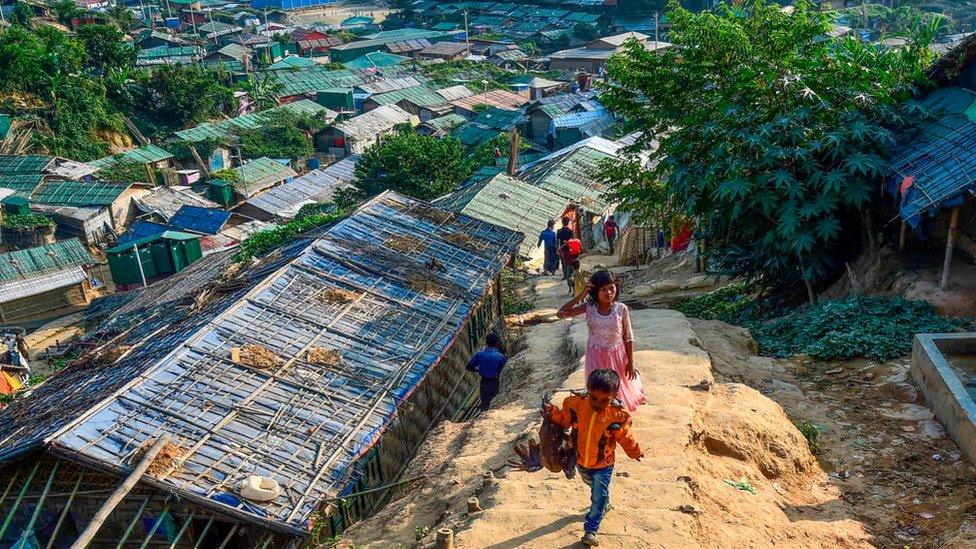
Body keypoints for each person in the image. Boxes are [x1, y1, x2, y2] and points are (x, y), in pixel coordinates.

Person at [544, 369, 643, 547]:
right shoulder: (575, 405)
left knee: (597, 496)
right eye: (593, 398)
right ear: (587, 391)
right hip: (581, 461)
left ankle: (591, 529)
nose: (598, 403)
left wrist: (635, 451)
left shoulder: (617, 415)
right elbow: (564, 421)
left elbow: (625, 437)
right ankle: (605, 502)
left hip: (604, 463)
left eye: (605, 400)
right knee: (594, 488)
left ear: (614, 395)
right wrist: (552, 411)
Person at [557, 270, 645, 411]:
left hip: (616, 355)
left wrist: (631, 362)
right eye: (603, 289)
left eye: (611, 288)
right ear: (595, 291)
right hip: (595, 354)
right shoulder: (589, 308)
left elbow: (628, 337)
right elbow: (560, 314)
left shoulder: (621, 309)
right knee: (598, 388)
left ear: (616, 287)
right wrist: (581, 295)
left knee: (617, 389)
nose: (608, 292)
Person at [466, 332, 507, 412]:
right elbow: (505, 370)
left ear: (487, 343)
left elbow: (469, 367)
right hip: (496, 382)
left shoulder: (480, 354)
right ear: (497, 343)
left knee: (484, 403)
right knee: (495, 402)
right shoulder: (500, 357)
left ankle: (482, 417)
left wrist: (479, 370)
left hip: (484, 382)